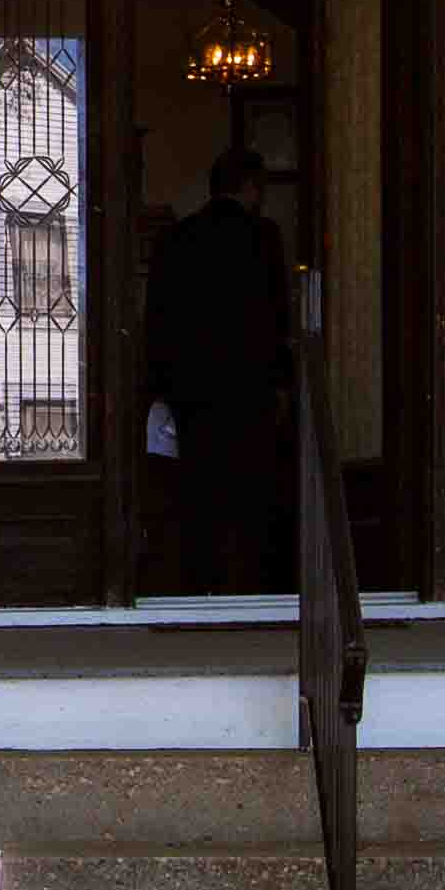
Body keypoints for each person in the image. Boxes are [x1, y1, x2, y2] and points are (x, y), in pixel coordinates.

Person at [147, 149, 295, 595]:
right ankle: (249, 586)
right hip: (250, 389)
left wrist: (162, 386)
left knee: (199, 494)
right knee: (251, 494)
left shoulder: (177, 238)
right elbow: (276, 318)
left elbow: (159, 318)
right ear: (250, 188)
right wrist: (282, 382)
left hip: (193, 391)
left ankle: (199, 586)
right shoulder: (263, 237)